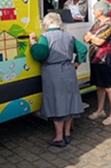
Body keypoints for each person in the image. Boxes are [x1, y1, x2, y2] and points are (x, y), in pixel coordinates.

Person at [29, 12, 88, 147]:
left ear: (47, 24)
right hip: (69, 71)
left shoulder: (45, 36)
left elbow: (40, 54)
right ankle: (67, 134)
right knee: (69, 103)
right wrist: (77, 64)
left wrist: (32, 43)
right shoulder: (68, 36)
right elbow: (83, 49)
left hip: (53, 73)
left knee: (57, 104)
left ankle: (59, 138)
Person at [84, 0, 111, 126]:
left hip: (106, 59)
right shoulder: (97, 23)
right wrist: (93, 38)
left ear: (101, 11)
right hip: (96, 59)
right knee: (99, 86)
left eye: (95, 9)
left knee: (109, 87)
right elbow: (86, 37)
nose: (93, 11)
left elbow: (98, 42)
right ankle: (100, 110)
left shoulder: (108, 24)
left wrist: (92, 38)